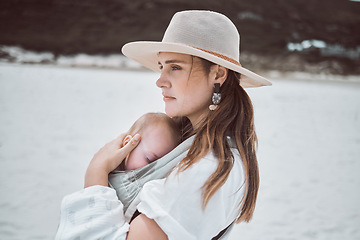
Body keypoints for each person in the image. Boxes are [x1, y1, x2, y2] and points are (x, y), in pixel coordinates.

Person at [55, 10, 272, 240]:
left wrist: (96, 174)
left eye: (175, 67)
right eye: (161, 67)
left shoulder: (208, 167)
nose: (160, 81)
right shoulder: (196, 151)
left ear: (217, 73)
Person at [115, 112, 181, 171]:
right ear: (127, 144)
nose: (153, 171)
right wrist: (104, 170)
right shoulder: (109, 168)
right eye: (150, 160)